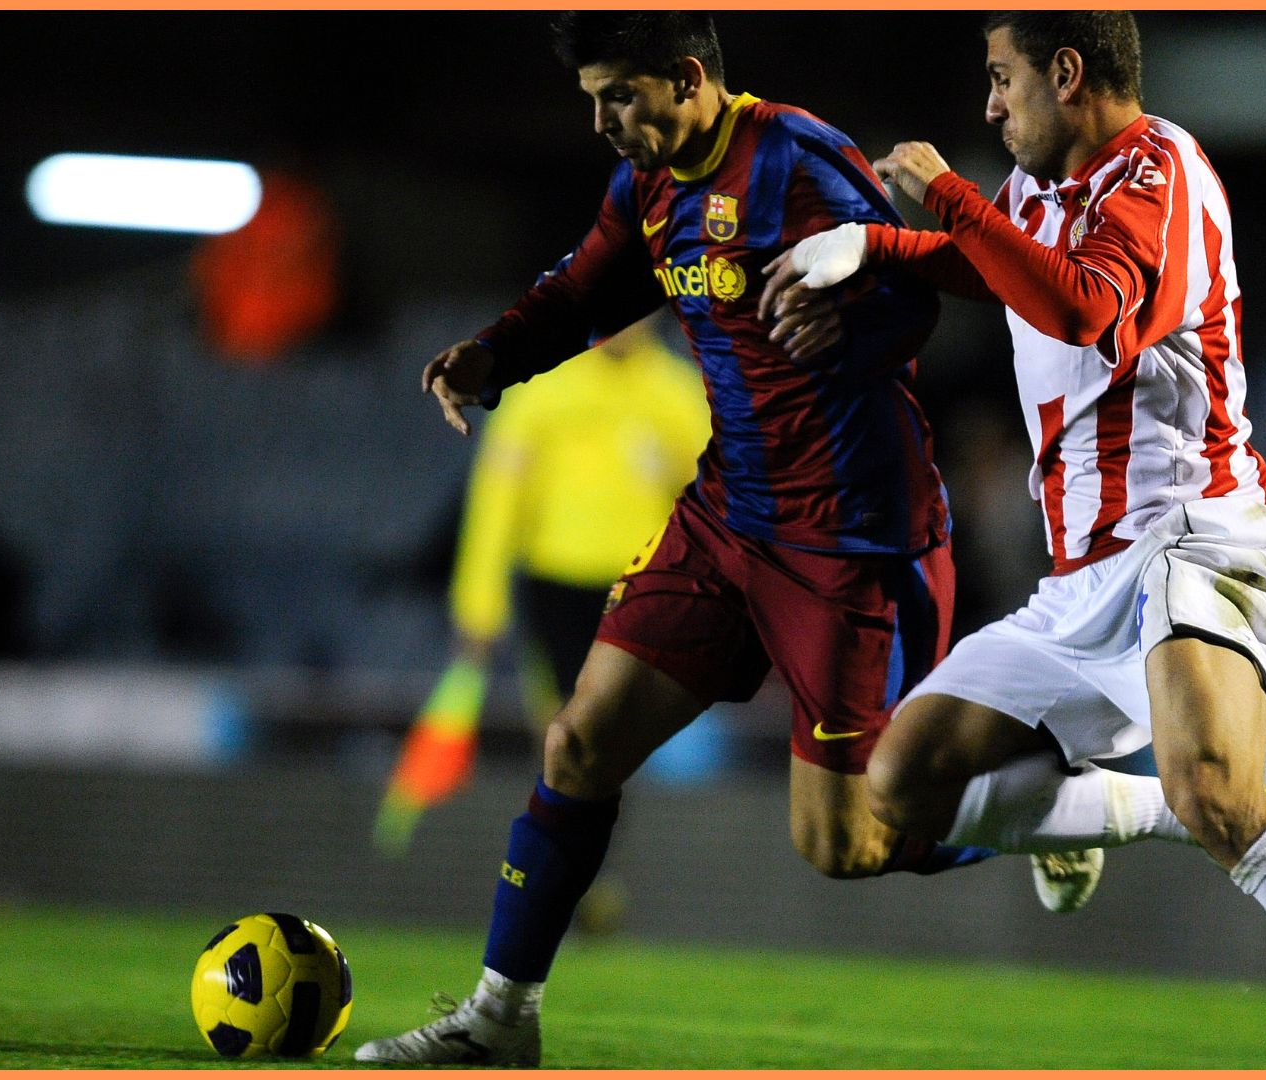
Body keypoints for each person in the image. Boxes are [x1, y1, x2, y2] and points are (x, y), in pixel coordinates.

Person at [764, 11, 1266, 1070]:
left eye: (1002, 80)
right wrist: (876, 249)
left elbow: (1088, 308)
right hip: (1082, 574)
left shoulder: (1160, 171)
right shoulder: (1038, 195)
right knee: (905, 781)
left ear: (1066, 72)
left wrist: (942, 196)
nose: (991, 104)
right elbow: (996, 269)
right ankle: (1146, 811)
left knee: (1223, 791)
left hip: (1194, 535)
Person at [359, 13, 1012, 1066]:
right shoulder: (649, 185)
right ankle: (500, 1019)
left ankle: (1043, 811)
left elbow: (923, 290)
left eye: (619, 96)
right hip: (726, 520)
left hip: (845, 538)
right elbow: (585, 291)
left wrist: (854, 321)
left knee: (841, 845)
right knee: (577, 744)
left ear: (690, 79)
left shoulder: (796, 159)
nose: (604, 121)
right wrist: (491, 357)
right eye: (592, 101)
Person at [373, 320, 711, 856]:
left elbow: (720, 495)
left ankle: (588, 865)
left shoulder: (680, 393)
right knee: (567, 739)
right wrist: (479, 608)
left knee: (608, 741)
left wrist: (673, 469)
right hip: (555, 589)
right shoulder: (545, 390)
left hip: (642, 592)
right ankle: (582, 870)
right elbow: (498, 501)